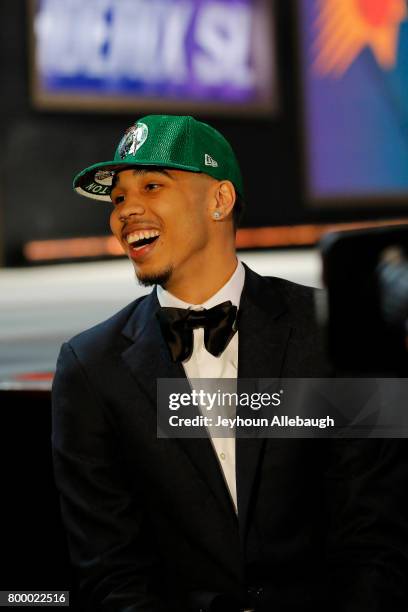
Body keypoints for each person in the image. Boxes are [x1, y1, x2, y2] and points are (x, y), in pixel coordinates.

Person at [51, 114, 408, 612]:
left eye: (151, 186)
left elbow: (376, 535)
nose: (125, 211)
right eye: (118, 199)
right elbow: (111, 571)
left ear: (220, 200)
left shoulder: (336, 331)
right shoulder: (89, 367)